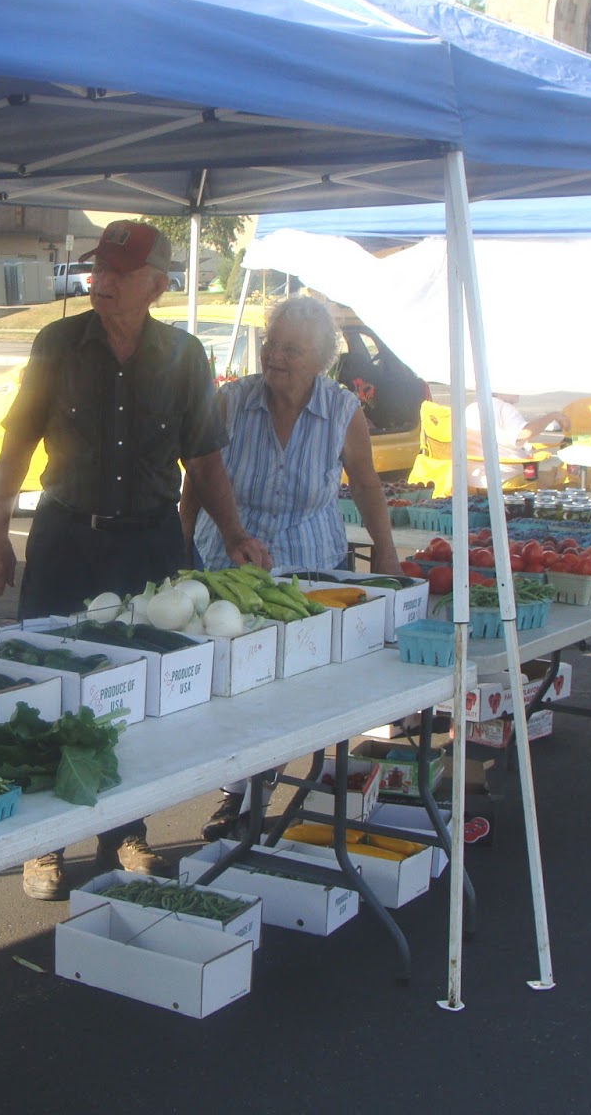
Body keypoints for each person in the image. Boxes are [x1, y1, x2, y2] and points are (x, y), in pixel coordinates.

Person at [0, 219, 269, 901]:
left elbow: (204, 457)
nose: (99, 281)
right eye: (97, 269)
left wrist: (232, 534)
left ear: (157, 285)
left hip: (149, 545)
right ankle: (43, 844)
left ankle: (125, 832)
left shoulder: (185, 356)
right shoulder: (58, 344)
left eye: (117, 272)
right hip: (65, 539)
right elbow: (17, 442)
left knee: (137, 696)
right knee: (46, 688)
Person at [181, 295, 401, 841]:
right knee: (232, 683)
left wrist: (387, 553)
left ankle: (247, 794)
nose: (274, 357)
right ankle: (239, 782)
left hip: (309, 565)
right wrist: (179, 541)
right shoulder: (232, 401)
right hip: (228, 564)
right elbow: (199, 476)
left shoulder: (343, 412)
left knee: (289, 689)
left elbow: (367, 484)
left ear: (321, 359)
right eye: (270, 345)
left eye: (291, 350)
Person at [461, 392, 570, 489]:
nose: (517, 391)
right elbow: (524, 434)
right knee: (562, 478)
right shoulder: (504, 408)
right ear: (498, 390)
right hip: (506, 478)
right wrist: (552, 416)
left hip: (474, 478)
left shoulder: (472, 407)